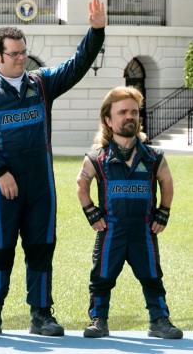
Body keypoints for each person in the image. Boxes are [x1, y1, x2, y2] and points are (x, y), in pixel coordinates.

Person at [0, 0, 106, 337]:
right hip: (0, 186)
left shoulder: (41, 84)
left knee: (41, 248)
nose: (21, 58)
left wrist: (96, 32)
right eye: (14, 53)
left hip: (40, 185)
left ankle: (41, 315)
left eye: (23, 52)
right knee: (0, 249)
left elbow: (77, 65)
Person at [76, 86, 183, 339]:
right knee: (101, 276)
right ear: (108, 120)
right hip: (111, 229)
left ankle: (159, 320)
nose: (130, 117)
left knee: (152, 276)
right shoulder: (97, 158)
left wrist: (163, 212)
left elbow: (167, 182)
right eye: (122, 112)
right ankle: (98, 320)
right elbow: (81, 183)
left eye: (134, 112)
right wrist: (91, 211)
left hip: (143, 230)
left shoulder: (153, 157)